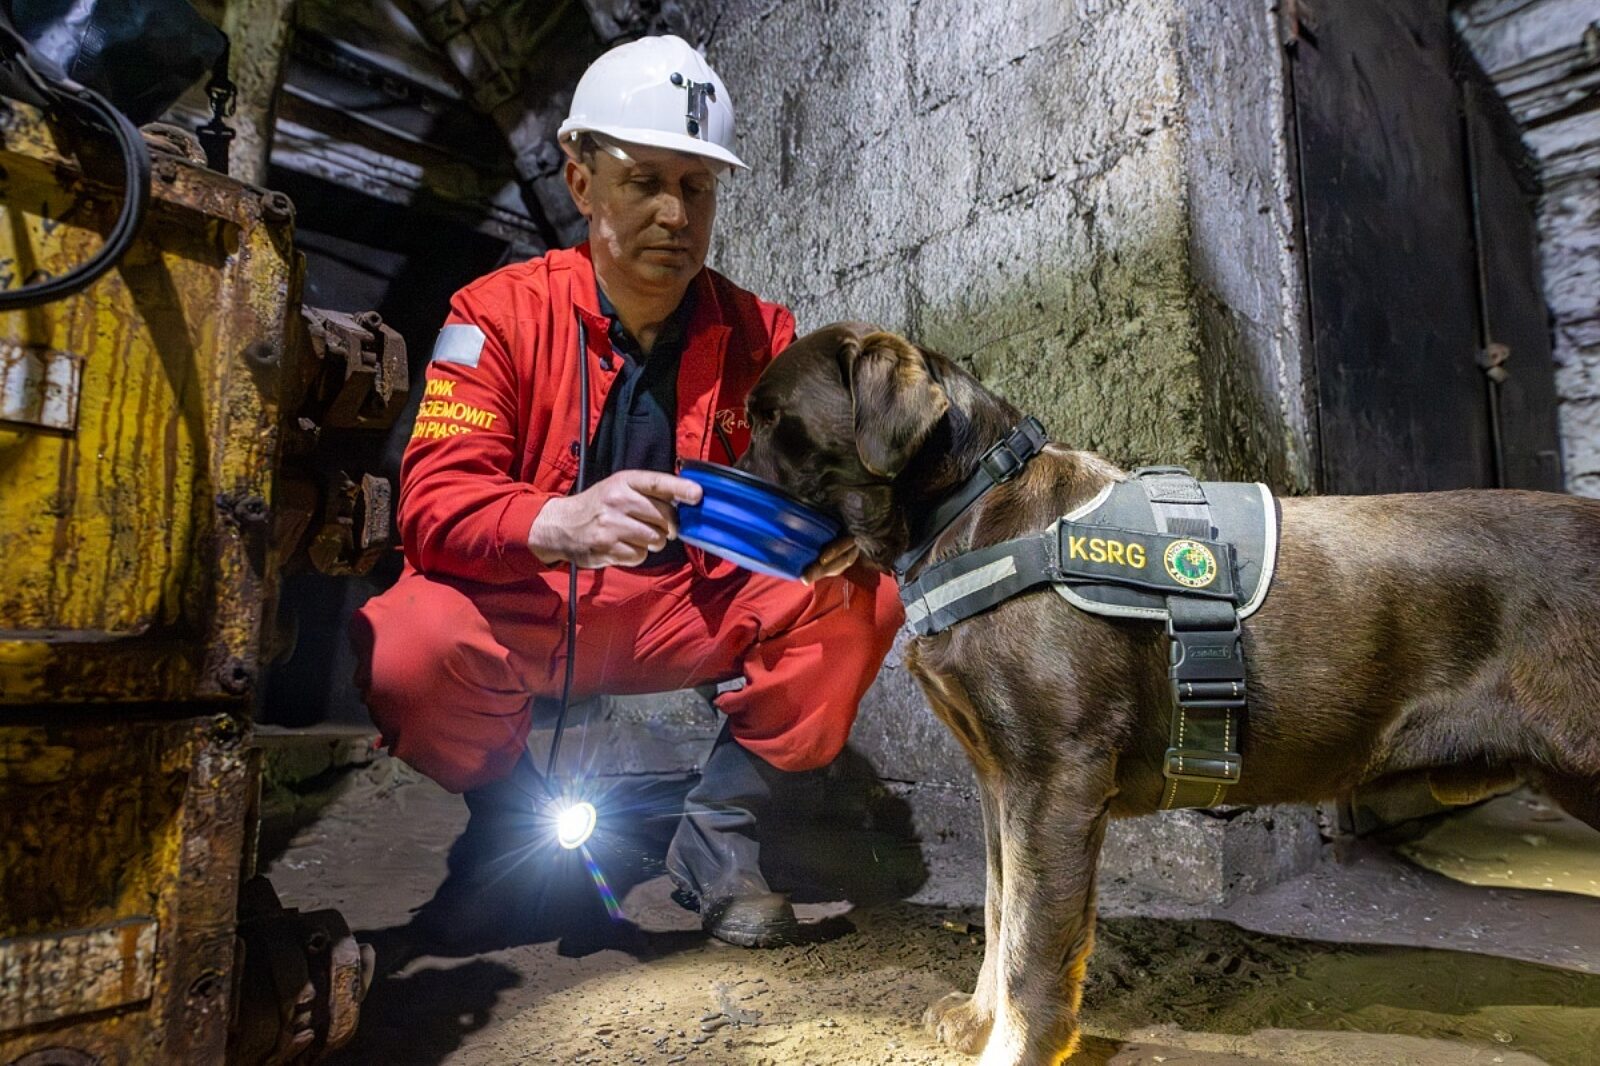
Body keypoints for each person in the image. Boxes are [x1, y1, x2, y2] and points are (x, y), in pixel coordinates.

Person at [350, 34, 902, 948]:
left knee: (862, 600)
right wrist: (557, 519)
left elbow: (823, 484)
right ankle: (511, 820)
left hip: (688, 606)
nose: (674, 214)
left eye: (696, 187)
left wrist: (841, 520)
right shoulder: (493, 315)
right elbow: (432, 503)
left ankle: (720, 834)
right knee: (409, 645)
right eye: (644, 181)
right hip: (536, 604)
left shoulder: (762, 334)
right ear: (581, 182)